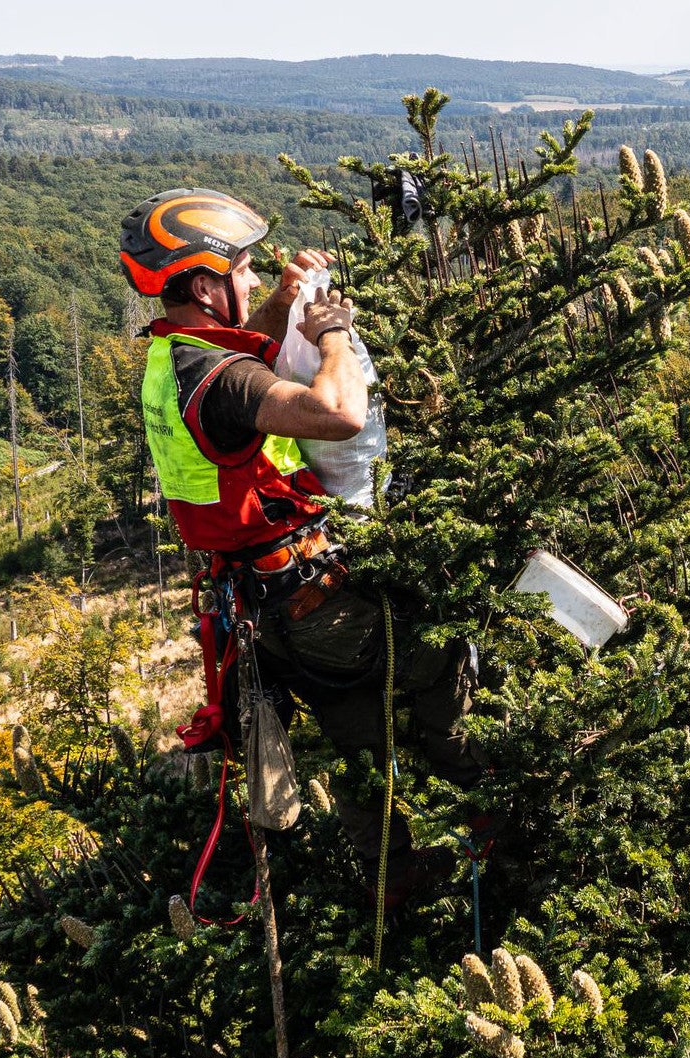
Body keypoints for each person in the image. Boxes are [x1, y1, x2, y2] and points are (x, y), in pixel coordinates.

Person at [121, 188, 483, 905]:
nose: (254, 280)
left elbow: (236, 357)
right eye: (246, 270)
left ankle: (393, 881)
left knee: (353, 736)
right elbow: (339, 413)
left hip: (265, 605)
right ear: (203, 284)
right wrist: (332, 333)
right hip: (311, 600)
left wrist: (282, 303)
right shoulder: (220, 383)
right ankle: (492, 795)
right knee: (443, 654)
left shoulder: (176, 355)